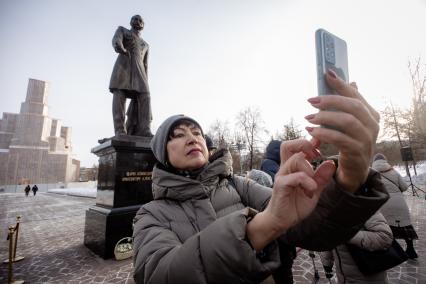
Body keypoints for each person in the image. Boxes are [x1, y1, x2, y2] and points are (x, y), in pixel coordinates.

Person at [133, 70, 388, 284]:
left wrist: (349, 177)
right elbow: (160, 274)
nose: (192, 137)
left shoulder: (239, 186)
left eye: (197, 132)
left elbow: (313, 232)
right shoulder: (151, 214)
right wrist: (264, 225)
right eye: (178, 135)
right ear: (162, 154)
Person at [320, 211, 393, 283]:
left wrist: (345, 235)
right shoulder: (330, 210)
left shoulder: (365, 204)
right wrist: (326, 262)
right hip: (344, 278)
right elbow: (330, 238)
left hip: (368, 278)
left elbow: (384, 237)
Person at [109, 15, 152, 136]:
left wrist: (146, 80)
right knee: (119, 97)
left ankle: (145, 129)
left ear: (143, 25)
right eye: (135, 19)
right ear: (131, 22)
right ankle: (120, 130)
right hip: (123, 69)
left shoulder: (146, 44)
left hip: (140, 73)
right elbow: (116, 40)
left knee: (146, 96)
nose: (137, 21)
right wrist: (119, 46)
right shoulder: (123, 30)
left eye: (140, 20)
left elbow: (146, 65)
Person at [372, 153, 419, 259]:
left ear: (374, 162)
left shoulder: (371, 173)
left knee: (386, 228)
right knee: (405, 226)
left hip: (382, 203)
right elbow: (404, 187)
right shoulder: (393, 171)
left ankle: (390, 252)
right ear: (385, 160)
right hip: (399, 203)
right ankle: (411, 250)